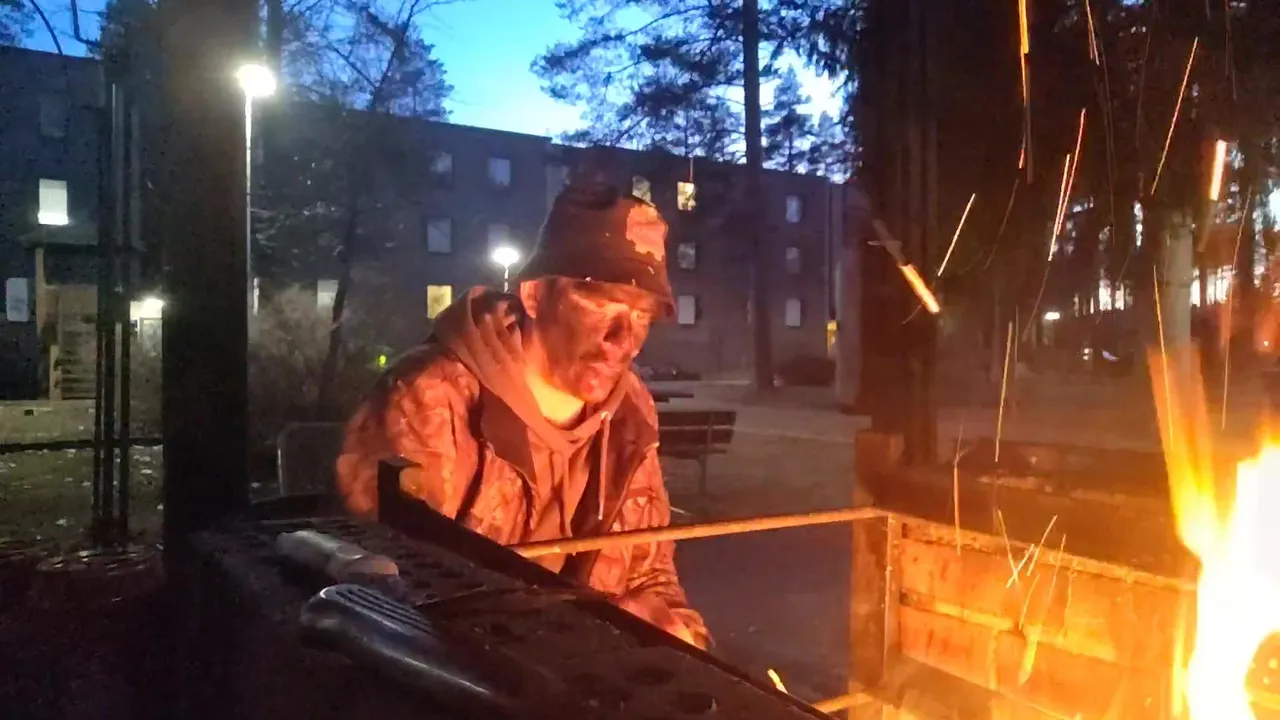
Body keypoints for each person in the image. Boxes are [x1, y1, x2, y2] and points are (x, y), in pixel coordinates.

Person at [335, 179, 709, 649]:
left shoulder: (629, 414)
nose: (622, 339)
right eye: (599, 302)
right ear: (534, 296)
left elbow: (652, 576)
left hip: (586, 673)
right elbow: (380, 600)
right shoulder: (429, 400)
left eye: (641, 315)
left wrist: (677, 632)